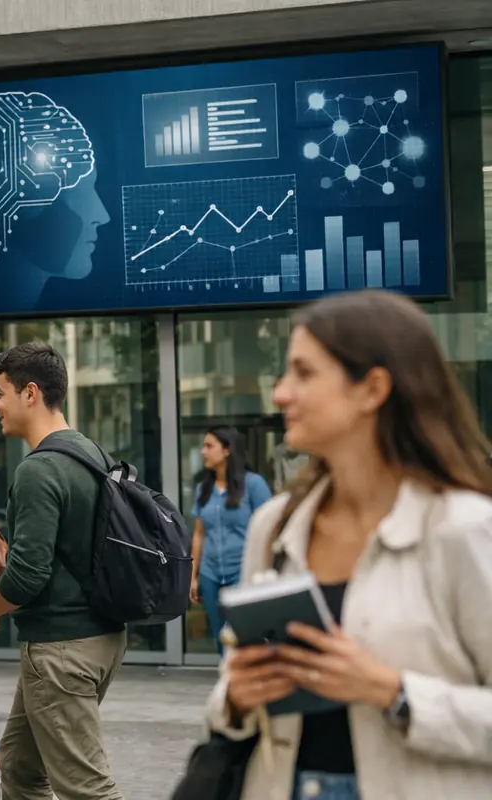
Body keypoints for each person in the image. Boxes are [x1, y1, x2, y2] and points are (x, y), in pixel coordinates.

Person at [207, 290, 492, 799]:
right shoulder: (274, 527)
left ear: (372, 389)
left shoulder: (465, 530)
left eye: (304, 373)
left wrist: (392, 692)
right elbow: (228, 694)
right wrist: (237, 698)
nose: (281, 393)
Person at [0, 342, 127, 800]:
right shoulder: (91, 453)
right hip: (98, 637)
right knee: (19, 767)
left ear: (31, 393)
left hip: (63, 648)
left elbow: (27, 575)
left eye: (0, 393)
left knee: (85, 788)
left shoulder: (39, 470)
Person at [189, 426, 272, 654]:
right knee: (220, 637)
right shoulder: (203, 489)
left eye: (209, 446)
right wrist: (193, 574)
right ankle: (232, 682)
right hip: (210, 574)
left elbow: (269, 529)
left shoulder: (254, 485)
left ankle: (243, 683)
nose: (203, 452)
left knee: (240, 635)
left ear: (227, 450)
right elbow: (199, 533)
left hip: (243, 572)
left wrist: (263, 571)